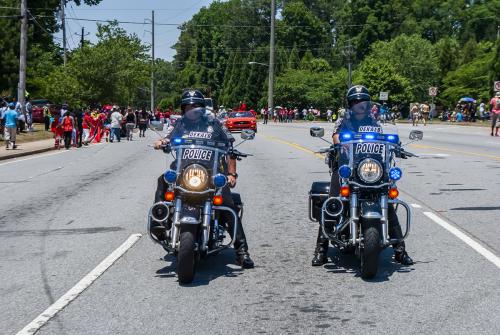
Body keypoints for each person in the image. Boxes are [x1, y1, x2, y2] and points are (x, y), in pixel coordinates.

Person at [311, 85, 413, 267]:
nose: (360, 104)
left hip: (371, 169)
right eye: (356, 101)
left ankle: (400, 251)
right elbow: (336, 137)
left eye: (363, 101)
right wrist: (337, 144)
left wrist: (397, 147)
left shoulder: (374, 122)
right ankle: (321, 248)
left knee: (389, 203)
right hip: (348, 167)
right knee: (333, 201)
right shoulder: (343, 121)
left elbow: (384, 140)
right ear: (350, 103)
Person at [153, 90, 254, 269]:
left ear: (202, 107)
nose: (192, 109)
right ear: (183, 108)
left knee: (228, 205)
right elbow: (168, 139)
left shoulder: (214, 123)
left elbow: (230, 147)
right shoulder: (180, 124)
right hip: (184, 170)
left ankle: (241, 251)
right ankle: (159, 222)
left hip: (211, 172)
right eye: (188, 106)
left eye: (196, 105)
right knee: (163, 180)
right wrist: (161, 142)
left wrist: (231, 174)